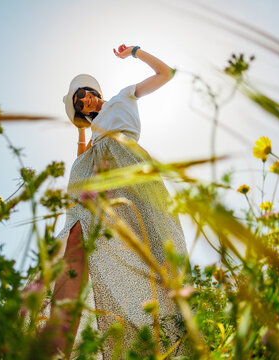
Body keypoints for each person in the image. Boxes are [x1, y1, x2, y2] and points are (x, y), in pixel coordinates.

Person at [54, 44, 188, 359]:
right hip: (91, 172)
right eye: (79, 106)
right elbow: (80, 159)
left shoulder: (123, 96)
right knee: (76, 235)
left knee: (148, 242)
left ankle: (165, 331)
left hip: (127, 162)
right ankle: (56, 344)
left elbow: (165, 74)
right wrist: (81, 131)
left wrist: (135, 52)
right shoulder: (92, 130)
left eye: (83, 96)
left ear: (91, 91)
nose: (84, 103)